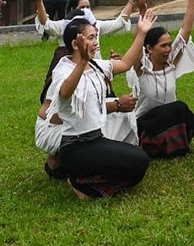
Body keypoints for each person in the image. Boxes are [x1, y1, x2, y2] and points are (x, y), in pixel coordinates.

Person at [52, 12, 156, 198]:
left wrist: (141, 33)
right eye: (91, 38)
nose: (96, 42)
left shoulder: (96, 66)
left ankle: (84, 180)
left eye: (96, 36)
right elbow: (65, 93)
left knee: (139, 162)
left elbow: (124, 63)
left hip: (96, 139)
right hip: (75, 147)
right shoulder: (63, 69)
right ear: (76, 44)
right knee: (136, 162)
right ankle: (79, 183)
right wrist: (82, 61)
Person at [127, 0, 194, 158]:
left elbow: (186, 29)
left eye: (169, 44)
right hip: (146, 126)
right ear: (149, 48)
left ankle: (174, 146)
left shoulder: (171, 63)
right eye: (163, 46)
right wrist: (142, 9)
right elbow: (138, 41)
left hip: (168, 122)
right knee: (176, 108)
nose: (168, 49)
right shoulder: (142, 67)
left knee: (181, 111)